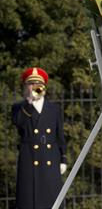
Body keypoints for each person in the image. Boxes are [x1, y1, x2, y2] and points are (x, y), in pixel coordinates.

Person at [12, 67, 67, 209]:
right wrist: (30, 104)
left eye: (38, 84)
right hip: (29, 158)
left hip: (50, 156)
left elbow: (59, 135)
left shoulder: (54, 109)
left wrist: (63, 158)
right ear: (26, 87)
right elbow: (19, 123)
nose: (35, 87)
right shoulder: (19, 108)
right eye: (31, 84)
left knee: (52, 199)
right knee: (29, 201)